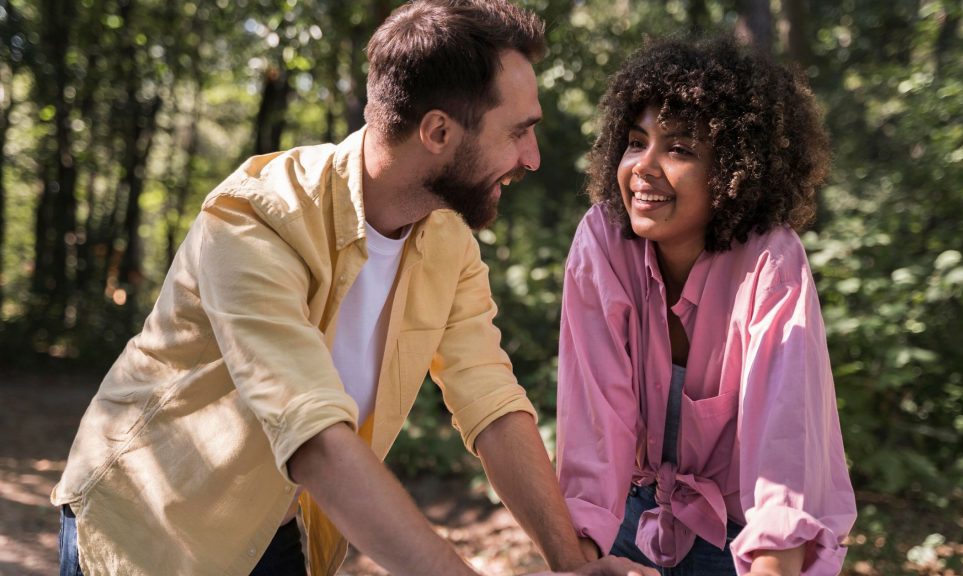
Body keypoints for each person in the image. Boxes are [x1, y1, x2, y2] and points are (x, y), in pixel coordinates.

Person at [51, 1, 657, 575]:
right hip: (153, 526)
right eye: (517, 131)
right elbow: (312, 436)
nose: (531, 158)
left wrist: (573, 563)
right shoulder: (254, 221)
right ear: (438, 133)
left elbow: (491, 402)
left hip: (280, 530)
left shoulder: (447, 240)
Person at [555, 36, 858, 576]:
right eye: (634, 141)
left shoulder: (770, 261)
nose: (643, 168)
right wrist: (581, 564)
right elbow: (592, 434)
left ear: (734, 170)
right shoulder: (602, 241)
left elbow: (783, 454)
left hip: (742, 540)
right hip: (624, 524)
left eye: (679, 149)